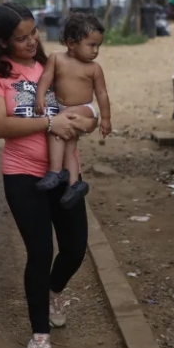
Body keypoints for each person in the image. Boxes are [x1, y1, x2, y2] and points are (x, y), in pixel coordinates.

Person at [0, 2, 98, 348]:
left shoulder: (54, 64)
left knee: (75, 248)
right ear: (1, 41)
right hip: (23, 174)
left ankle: (54, 291)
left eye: (33, 33)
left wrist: (88, 120)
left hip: (66, 172)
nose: (31, 41)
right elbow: (0, 126)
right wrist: (49, 123)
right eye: (21, 38)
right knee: (40, 252)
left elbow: (89, 107)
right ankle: (40, 333)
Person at [34, 12, 112, 208]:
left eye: (98, 46)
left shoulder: (94, 68)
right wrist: (40, 96)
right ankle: (74, 184)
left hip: (85, 109)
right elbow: (45, 79)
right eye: (91, 45)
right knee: (68, 147)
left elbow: (102, 94)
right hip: (62, 109)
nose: (96, 51)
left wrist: (105, 119)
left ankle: (55, 171)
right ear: (71, 43)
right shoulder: (56, 59)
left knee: (55, 128)